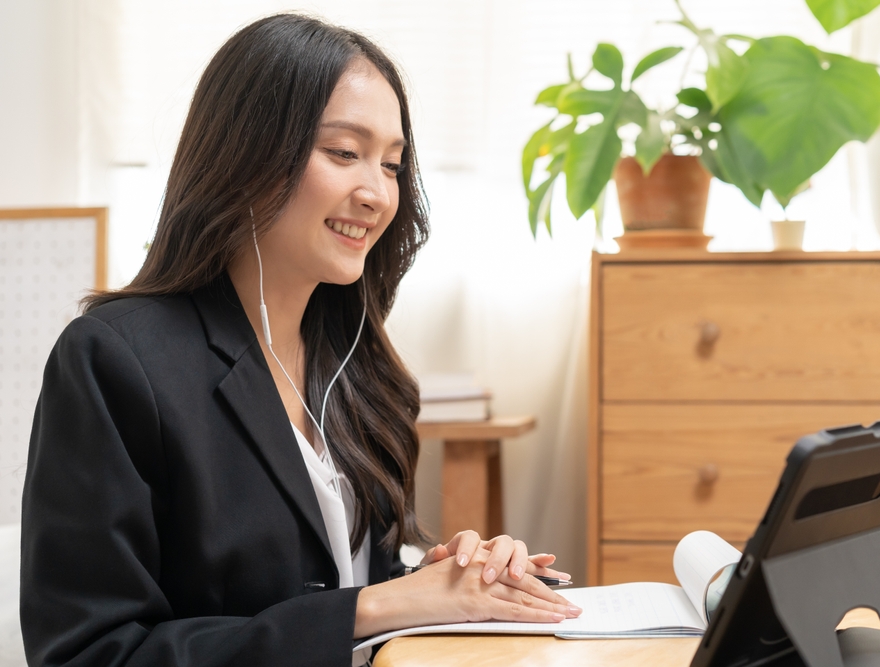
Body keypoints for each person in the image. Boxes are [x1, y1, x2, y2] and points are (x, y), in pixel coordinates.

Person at [20, 14, 580, 667]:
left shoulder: (357, 363)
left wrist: (446, 577)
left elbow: (336, 574)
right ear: (249, 152)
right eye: (344, 153)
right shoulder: (114, 360)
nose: (376, 192)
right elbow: (88, 654)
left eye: (393, 164)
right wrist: (374, 608)